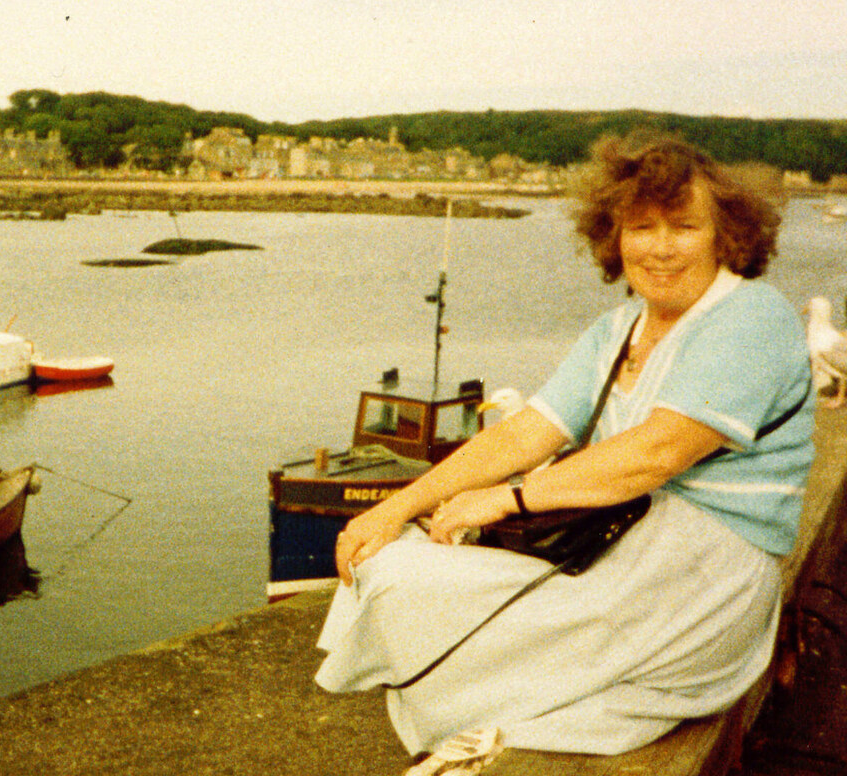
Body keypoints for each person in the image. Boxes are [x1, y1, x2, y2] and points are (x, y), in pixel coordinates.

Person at [314, 132, 815, 757]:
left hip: (701, 578)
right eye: (641, 227)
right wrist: (392, 508)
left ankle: (490, 730)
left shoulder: (751, 317)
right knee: (391, 567)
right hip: (617, 550)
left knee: (458, 625)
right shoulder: (618, 329)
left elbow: (657, 452)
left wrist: (508, 500)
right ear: (614, 237)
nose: (659, 248)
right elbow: (527, 431)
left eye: (684, 227)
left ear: (726, 236)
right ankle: (481, 725)